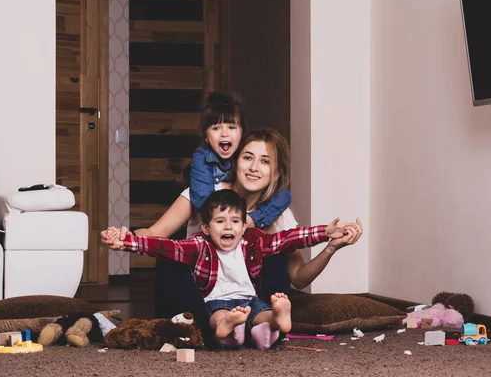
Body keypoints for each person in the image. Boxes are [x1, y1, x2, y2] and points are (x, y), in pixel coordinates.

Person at [100, 128, 363, 346]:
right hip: (198, 294)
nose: (254, 168)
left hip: (250, 298)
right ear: (235, 162)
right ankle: (201, 329)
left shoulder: (278, 213)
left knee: (273, 251)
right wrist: (126, 238)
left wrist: (331, 247)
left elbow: (298, 277)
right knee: (171, 255)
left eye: (265, 161)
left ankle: (262, 324)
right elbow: (156, 235)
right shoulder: (206, 195)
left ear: (277, 172)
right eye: (248, 157)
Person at [101, 189, 349, 350]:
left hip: (250, 302)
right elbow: (164, 247)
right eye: (220, 222)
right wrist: (126, 242)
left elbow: (288, 239)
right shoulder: (198, 245)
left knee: (261, 314)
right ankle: (229, 327)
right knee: (218, 316)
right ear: (207, 228)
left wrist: (324, 232)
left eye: (235, 222)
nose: (228, 227)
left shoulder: (252, 242)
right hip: (217, 302)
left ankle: (276, 320)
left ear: (243, 227)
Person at [191, 93, 291, 229]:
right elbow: (203, 199)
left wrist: (251, 220)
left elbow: (284, 195)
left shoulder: (279, 208)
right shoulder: (202, 158)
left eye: (231, 127)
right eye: (216, 128)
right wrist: (223, 222)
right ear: (206, 137)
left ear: (242, 134)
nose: (224, 134)